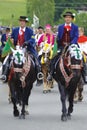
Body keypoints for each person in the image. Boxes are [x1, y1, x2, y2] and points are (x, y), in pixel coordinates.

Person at [1, 16, 43, 83]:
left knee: (36, 58)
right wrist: (11, 40)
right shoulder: (15, 30)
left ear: (25, 23)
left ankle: (39, 75)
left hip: (27, 49)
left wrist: (27, 42)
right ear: (19, 22)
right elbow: (12, 38)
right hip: (16, 49)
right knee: (7, 59)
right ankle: (4, 75)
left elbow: (32, 39)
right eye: (21, 21)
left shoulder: (30, 31)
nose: (22, 22)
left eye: (23, 21)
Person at [47, 11, 79, 81]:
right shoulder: (60, 27)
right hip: (62, 46)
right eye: (66, 17)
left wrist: (72, 43)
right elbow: (59, 37)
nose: (68, 19)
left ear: (72, 19)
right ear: (65, 19)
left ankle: (83, 74)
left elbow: (76, 36)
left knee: (80, 57)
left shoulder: (75, 27)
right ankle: (51, 73)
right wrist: (57, 40)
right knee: (54, 58)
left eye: (69, 17)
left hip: (72, 46)